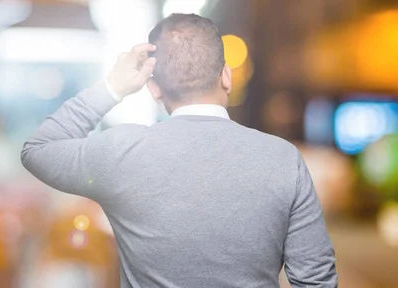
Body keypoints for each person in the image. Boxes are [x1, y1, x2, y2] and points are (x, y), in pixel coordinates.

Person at [21, 13, 337, 288]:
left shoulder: (121, 151)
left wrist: (113, 87)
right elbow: (316, 279)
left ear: (153, 88)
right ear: (226, 76)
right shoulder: (282, 159)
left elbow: (38, 149)